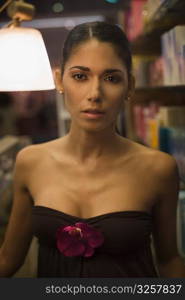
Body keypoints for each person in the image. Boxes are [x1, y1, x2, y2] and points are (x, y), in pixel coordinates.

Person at [0, 21, 185, 278]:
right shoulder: (31, 161)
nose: (94, 93)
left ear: (129, 86)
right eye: (80, 76)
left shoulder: (158, 168)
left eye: (111, 78)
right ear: (59, 80)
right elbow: (8, 260)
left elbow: (169, 260)